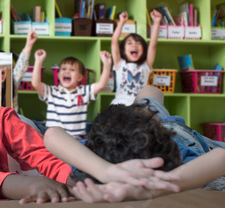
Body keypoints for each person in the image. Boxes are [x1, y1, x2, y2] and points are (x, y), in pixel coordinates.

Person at [0, 106, 180, 203]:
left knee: (151, 113)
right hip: (90, 152)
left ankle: (150, 101)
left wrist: (72, 181)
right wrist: (36, 187)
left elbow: (41, 153)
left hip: (75, 144)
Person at [44, 86, 225, 203]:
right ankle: (147, 116)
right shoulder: (187, 162)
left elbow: (52, 134)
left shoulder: (97, 155)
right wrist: (155, 187)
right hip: (172, 132)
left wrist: (105, 171)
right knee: (149, 92)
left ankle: (146, 115)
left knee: (149, 92)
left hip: (151, 127)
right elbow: (220, 158)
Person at [31, 50, 112, 138]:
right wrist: (38, 61)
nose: (67, 72)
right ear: (58, 75)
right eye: (64, 69)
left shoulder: (84, 92)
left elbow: (101, 85)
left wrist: (107, 65)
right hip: (53, 139)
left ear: (80, 77)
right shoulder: (51, 92)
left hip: (76, 139)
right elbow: (35, 83)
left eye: (72, 70)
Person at [110, 10, 162, 105]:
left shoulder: (146, 66)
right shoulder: (119, 63)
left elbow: (153, 45)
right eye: (130, 43)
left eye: (138, 43)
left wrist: (157, 22)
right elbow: (114, 41)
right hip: (120, 105)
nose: (134, 45)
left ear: (143, 50)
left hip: (139, 105)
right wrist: (121, 22)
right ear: (123, 50)